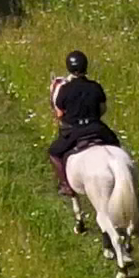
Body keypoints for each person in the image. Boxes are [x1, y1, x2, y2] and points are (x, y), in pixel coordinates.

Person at [46, 50, 115, 189]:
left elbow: (59, 114)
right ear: (85, 66)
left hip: (75, 132)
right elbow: (103, 109)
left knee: (53, 153)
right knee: (117, 146)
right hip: (98, 129)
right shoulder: (95, 86)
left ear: (69, 68)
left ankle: (66, 185)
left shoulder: (64, 89)